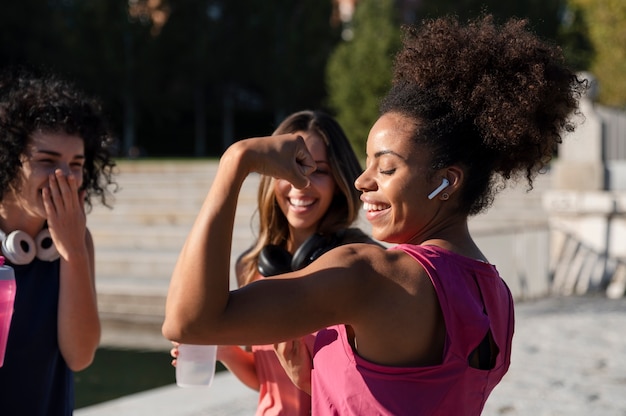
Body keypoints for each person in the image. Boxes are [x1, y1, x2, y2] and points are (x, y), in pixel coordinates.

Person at [163, 15, 586, 415]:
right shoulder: (496, 295)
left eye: (386, 168)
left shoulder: (368, 274)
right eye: (367, 164)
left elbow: (188, 322)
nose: (363, 181)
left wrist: (238, 160)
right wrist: (307, 377)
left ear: (447, 181)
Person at [170, 110, 380, 415]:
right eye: (292, 168)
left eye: (318, 170)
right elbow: (266, 379)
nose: (301, 182)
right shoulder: (253, 265)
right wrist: (228, 352)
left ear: (339, 180)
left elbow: (372, 389)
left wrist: (308, 376)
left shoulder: (362, 263)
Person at [0, 67, 117, 415]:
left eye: (76, 164)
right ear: (8, 161)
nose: (64, 176)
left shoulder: (76, 242)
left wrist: (73, 252)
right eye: (47, 161)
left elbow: (79, 356)